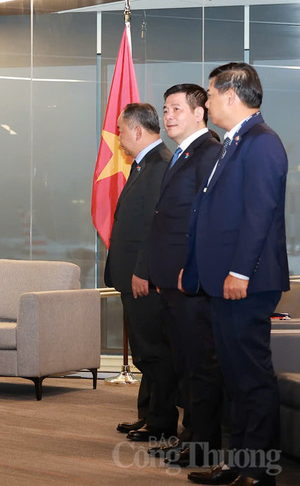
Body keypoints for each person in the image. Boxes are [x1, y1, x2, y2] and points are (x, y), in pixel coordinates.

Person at [182, 63, 288, 486]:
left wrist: (240, 272)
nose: (205, 102)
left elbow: (258, 215)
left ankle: (259, 471)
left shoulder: (261, 143)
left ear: (232, 94)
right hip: (225, 281)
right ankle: (239, 463)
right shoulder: (233, 142)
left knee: (251, 377)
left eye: (208, 94)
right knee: (234, 377)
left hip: (247, 282)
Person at [144, 84, 223, 466]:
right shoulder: (182, 154)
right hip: (171, 280)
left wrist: (190, 270)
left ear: (199, 113)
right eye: (165, 108)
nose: (168, 116)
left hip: (189, 280)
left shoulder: (209, 151)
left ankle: (203, 446)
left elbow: (207, 220)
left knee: (199, 365)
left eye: (176, 108)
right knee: (184, 364)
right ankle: (190, 436)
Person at [104, 103, 177, 442]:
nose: (117, 137)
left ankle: (161, 422)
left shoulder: (160, 165)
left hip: (142, 277)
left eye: (120, 130)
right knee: (144, 351)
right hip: (131, 275)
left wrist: (143, 271)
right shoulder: (143, 165)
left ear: (136, 130)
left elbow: (155, 227)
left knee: (153, 351)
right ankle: (147, 414)